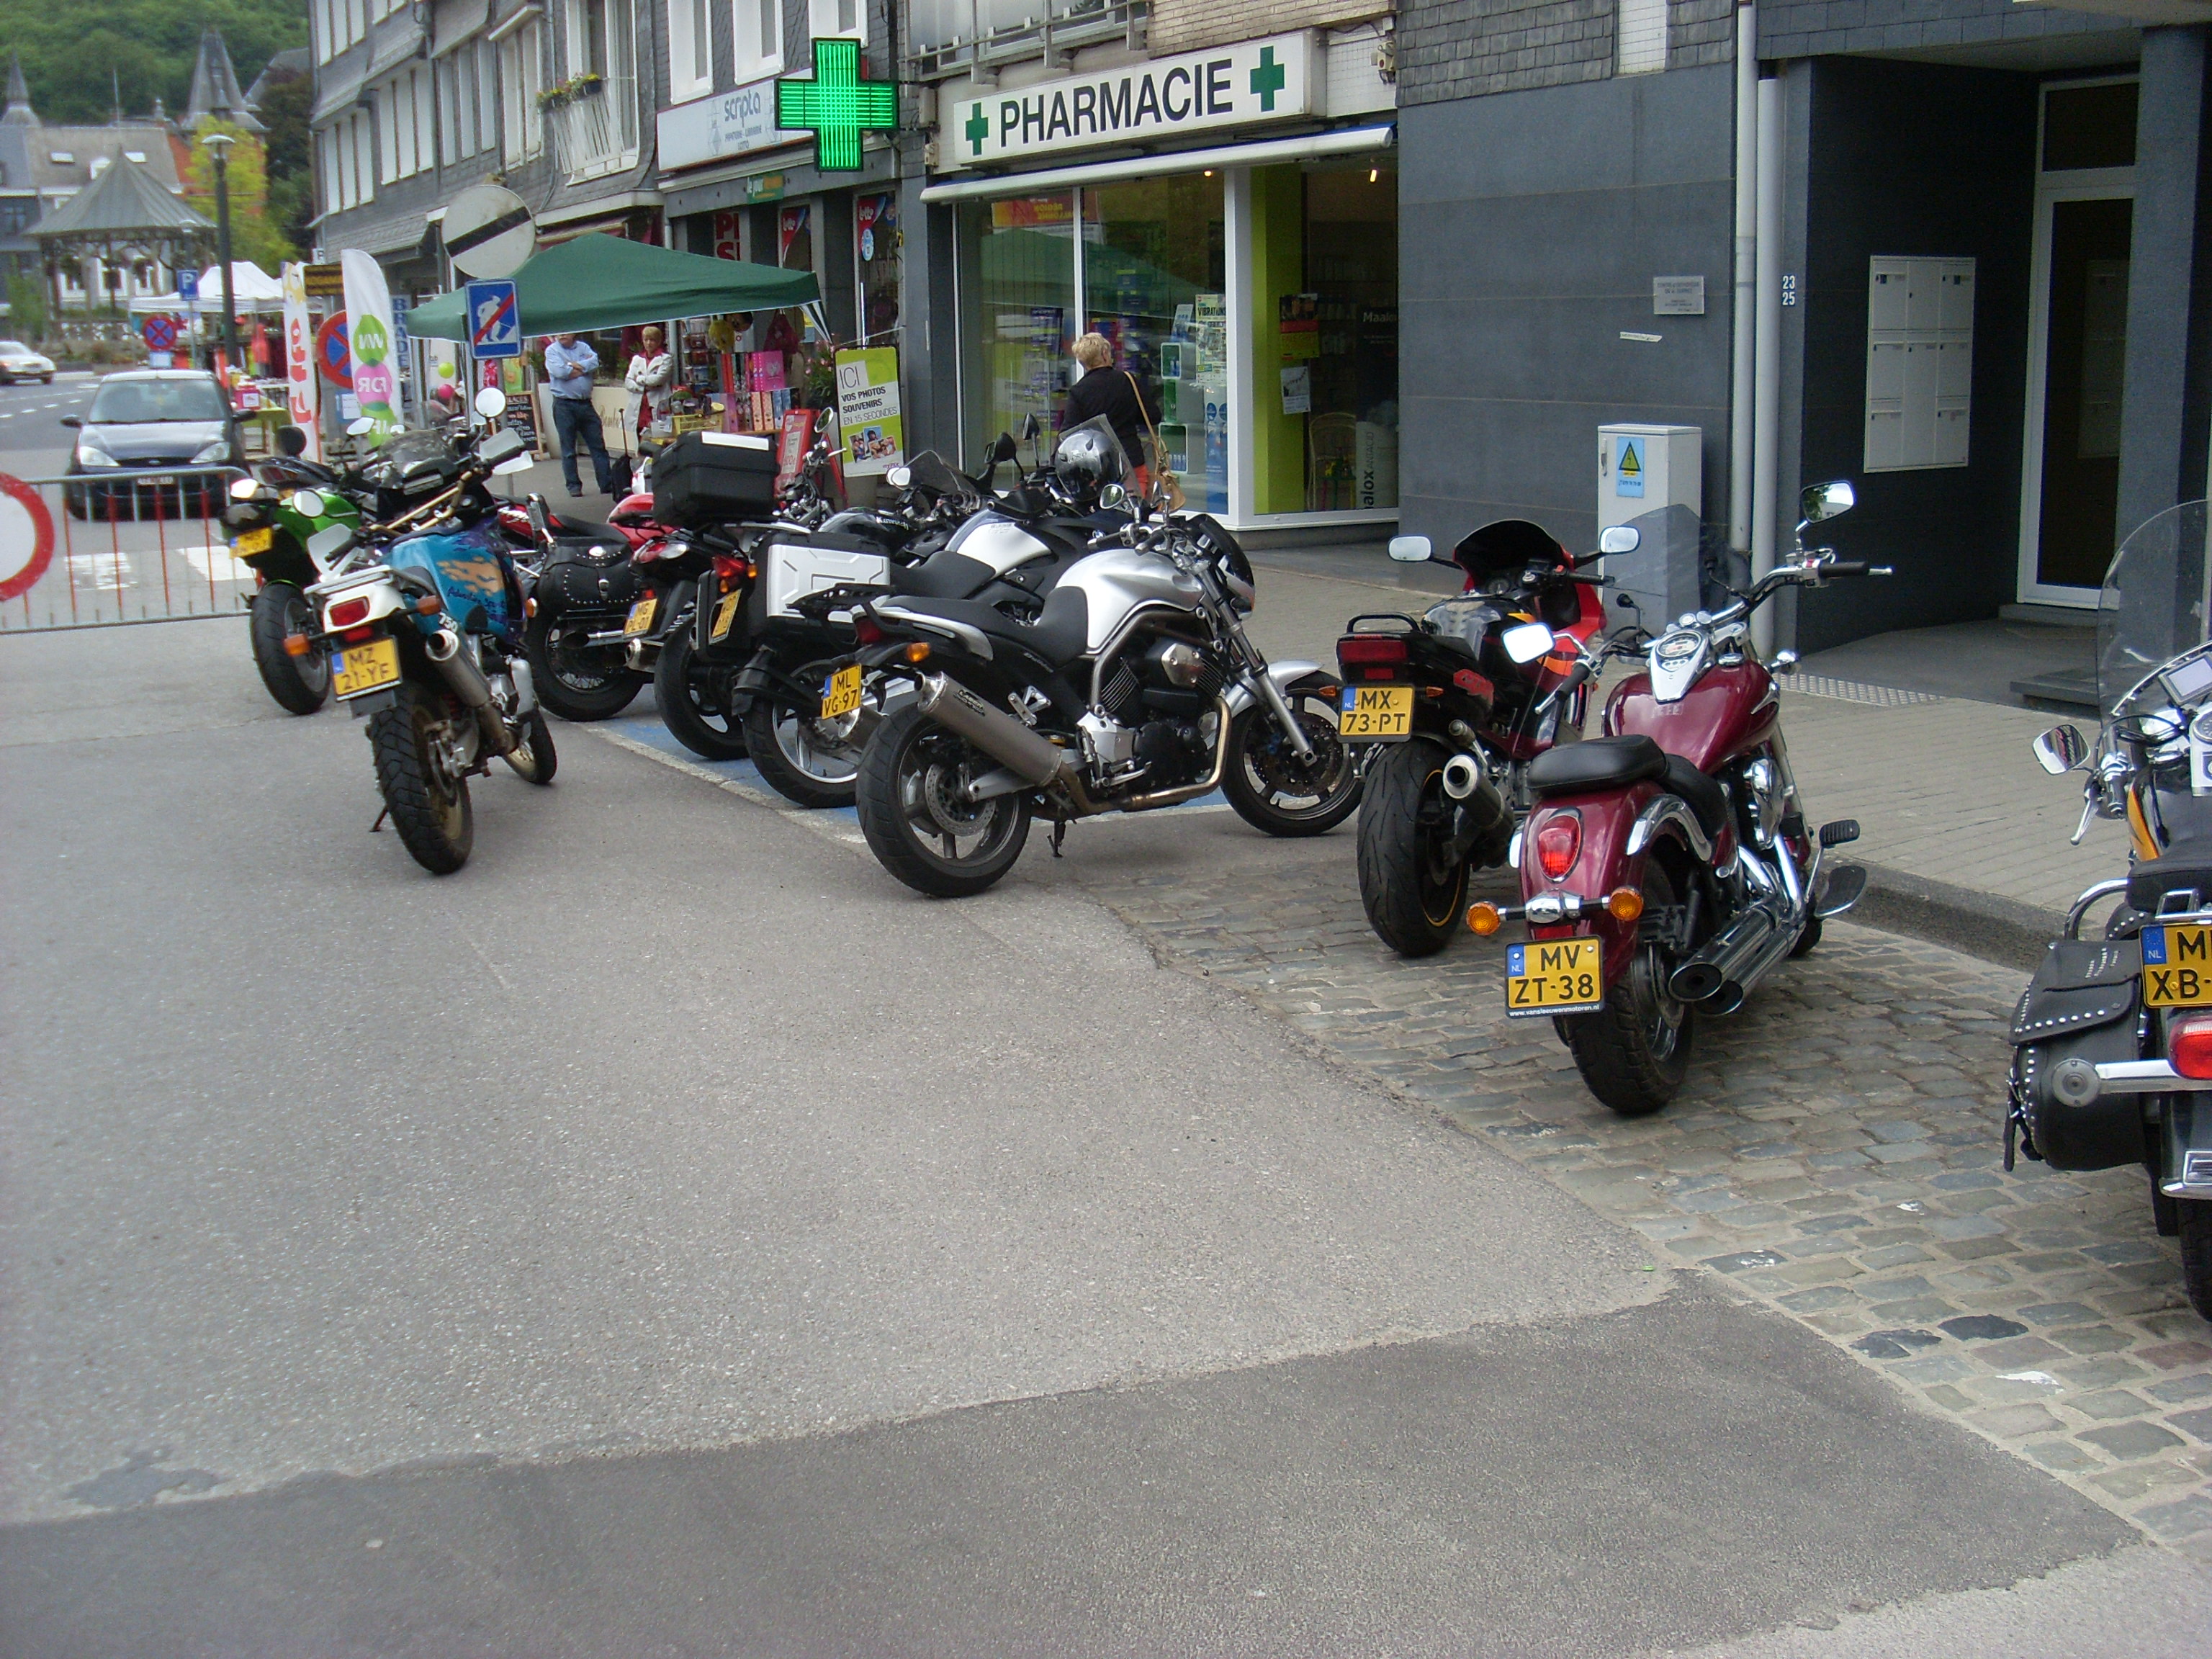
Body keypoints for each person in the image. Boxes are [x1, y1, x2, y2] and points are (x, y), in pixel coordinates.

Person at [1059, 332, 1159, 493]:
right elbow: (1153, 416)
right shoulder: (1128, 380)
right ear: (1105, 354)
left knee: (1100, 506)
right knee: (1134, 504)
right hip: (1130, 460)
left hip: (1097, 466)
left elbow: (1068, 433)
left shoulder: (1078, 391)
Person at [544, 331, 612, 497]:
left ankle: (607, 484)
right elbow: (560, 373)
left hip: (585, 404)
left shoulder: (584, 347)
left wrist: (573, 366)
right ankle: (574, 486)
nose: (561, 335)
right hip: (564, 405)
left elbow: (594, 363)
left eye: (565, 332)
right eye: (558, 333)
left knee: (598, 446)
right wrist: (583, 368)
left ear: (573, 333)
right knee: (568, 449)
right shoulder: (552, 351)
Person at [623, 325, 672, 449]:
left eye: (652, 340)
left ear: (659, 341)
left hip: (658, 405)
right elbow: (628, 382)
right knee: (641, 441)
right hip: (640, 408)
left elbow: (658, 380)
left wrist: (639, 379)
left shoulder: (666, 358)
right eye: (646, 340)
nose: (649, 343)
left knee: (659, 441)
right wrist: (643, 387)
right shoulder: (637, 359)